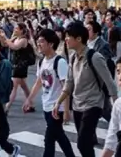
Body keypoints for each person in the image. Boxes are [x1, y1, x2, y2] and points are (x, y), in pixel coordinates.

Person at [53, 21, 117, 157]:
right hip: (77, 105)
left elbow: (110, 82)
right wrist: (58, 102)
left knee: (82, 143)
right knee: (86, 144)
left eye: (68, 36)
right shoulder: (72, 58)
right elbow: (69, 83)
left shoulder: (95, 57)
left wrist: (117, 105)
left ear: (79, 39)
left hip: (93, 104)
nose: (66, 39)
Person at [23, 28, 75, 157]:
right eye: (38, 41)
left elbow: (66, 87)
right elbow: (39, 82)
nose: (38, 44)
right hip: (46, 105)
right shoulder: (42, 61)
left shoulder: (60, 62)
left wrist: (66, 111)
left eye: (41, 41)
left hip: (57, 107)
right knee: (59, 136)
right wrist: (29, 99)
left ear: (51, 44)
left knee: (49, 139)